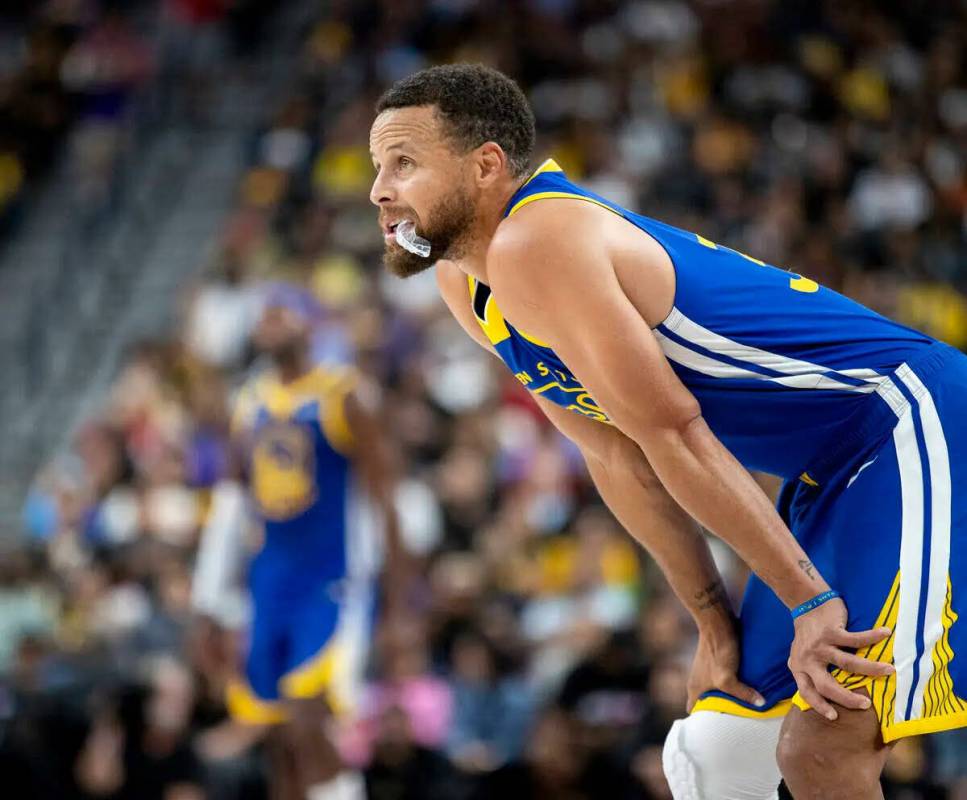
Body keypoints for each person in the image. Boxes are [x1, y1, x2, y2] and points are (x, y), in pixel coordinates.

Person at [367, 64, 967, 799]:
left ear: (485, 165)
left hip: (908, 420)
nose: (379, 191)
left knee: (825, 741)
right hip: (831, 468)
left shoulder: (538, 239)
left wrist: (808, 603)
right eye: (376, 168)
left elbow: (673, 435)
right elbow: (613, 453)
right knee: (718, 750)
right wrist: (713, 624)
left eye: (404, 163)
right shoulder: (465, 279)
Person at [193, 283, 405, 800]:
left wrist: (400, 600)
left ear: (308, 324)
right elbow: (229, 507)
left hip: (331, 578)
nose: (268, 323)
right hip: (270, 580)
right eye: (263, 316)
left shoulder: (344, 395)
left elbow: (384, 499)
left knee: (311, 718)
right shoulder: (248, 402)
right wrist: (207, 600)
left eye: (280, 313)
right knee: (277, 734)